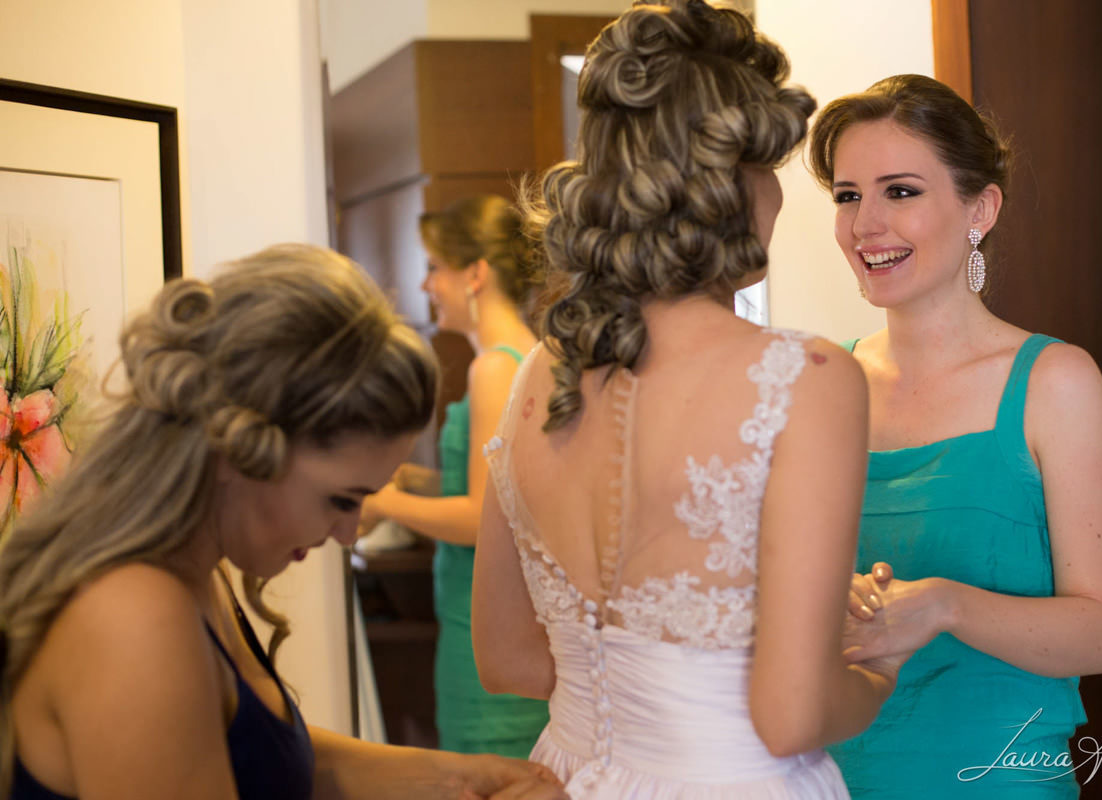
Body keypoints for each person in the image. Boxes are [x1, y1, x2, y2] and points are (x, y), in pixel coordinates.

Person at [470, 3, 906, 797]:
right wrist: (878, 677)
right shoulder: (804, 377)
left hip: (569, 774)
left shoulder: (537, 372)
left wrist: (634, 702)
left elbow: (505, 659)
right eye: (770, 170)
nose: (777, 199)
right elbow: (791, 715)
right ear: (731, 183)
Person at [0, 244, 567, 800]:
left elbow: (265, 763)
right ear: (238, 446)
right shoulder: (132, 615)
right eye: (341, 500)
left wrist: (454, 778)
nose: (347, 532)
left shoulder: (195, 570)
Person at [806, 74, 1102, 798]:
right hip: (827, 779)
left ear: (979, 208)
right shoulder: (821, 382)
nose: (864, 225)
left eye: (900, 191)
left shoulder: (1055, 381)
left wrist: (943, 605)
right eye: (848, 196)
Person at [359, 196, 548, 758]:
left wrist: (381, 502)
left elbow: (478, 518)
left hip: (483, 620)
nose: (426, 285)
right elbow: (503, 489)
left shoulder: (494, 367)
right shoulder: (526, 356)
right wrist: (416, 480)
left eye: (434, 267)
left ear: (475, 275)